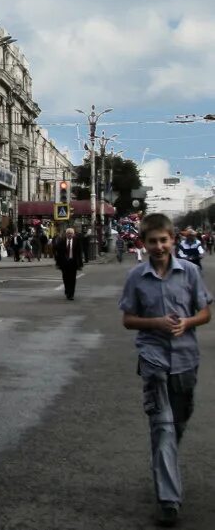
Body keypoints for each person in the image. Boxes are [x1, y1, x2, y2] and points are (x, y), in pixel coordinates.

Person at [119, 213, 212, 527]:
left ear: (172, 240)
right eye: (152, 241)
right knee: (163, 427)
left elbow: (205, 312)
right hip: (153, 359)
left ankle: (165, 458)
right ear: (143, 243)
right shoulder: (136, 277)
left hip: (186, 359)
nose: (159, 246)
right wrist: (156, 323)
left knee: (180, 420)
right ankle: (169, 501)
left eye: (163, 240)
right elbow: (128, 319)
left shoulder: (190, 273)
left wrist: (187, 322)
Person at [53, 227, 85, 300]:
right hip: (64, 263)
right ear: (66, 234)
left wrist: (80, 264)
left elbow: (79, 253)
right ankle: (67, 290)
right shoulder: (62, 241)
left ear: (73, 234)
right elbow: (56, 250)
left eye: (71, 233)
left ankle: (71, 294)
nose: (70, 235)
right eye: (68, 233)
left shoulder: (77, 241)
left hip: (73, 262)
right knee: (65, 278)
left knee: (73, 279)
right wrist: (57, 261)